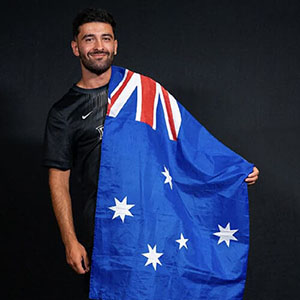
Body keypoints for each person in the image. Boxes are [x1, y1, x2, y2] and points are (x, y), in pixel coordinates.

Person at [43, 7, 259, 298]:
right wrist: (70, 241)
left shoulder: (145, 94)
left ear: (115, 45)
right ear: (75, 46)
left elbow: (189, 143)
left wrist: (231, 170)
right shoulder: (63, 113)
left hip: (155, 223)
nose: (98, 47)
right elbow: (58, 181)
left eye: (105, 39)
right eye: (89, 39)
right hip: (103, 231)